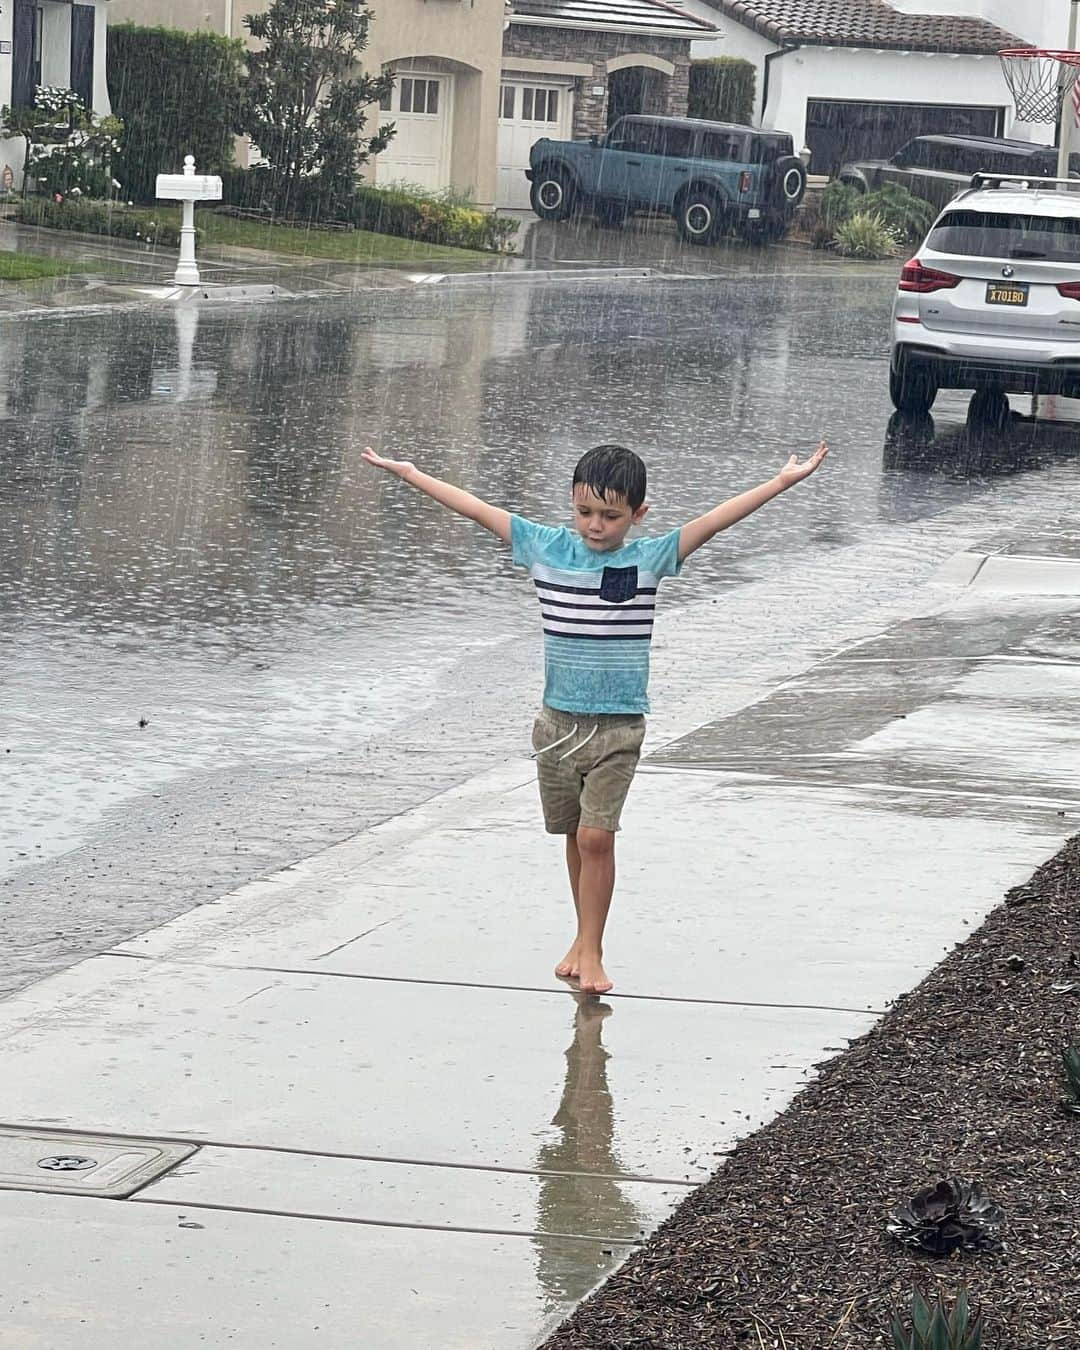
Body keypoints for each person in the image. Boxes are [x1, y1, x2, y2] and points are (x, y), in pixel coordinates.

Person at [362, 440, 828, 994]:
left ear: (638, 514)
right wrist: (413, 473)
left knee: (597, 837)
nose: (596, 525)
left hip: (618, 727)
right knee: (573, 836)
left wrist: (779, 483)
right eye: (585, 512)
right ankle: (580, 939)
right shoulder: (544, 546)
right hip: (556, 725)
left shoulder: (648, 559)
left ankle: (595, 951)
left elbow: (712, 522)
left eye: (611, 515)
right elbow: (475, 508)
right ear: (572, 503)